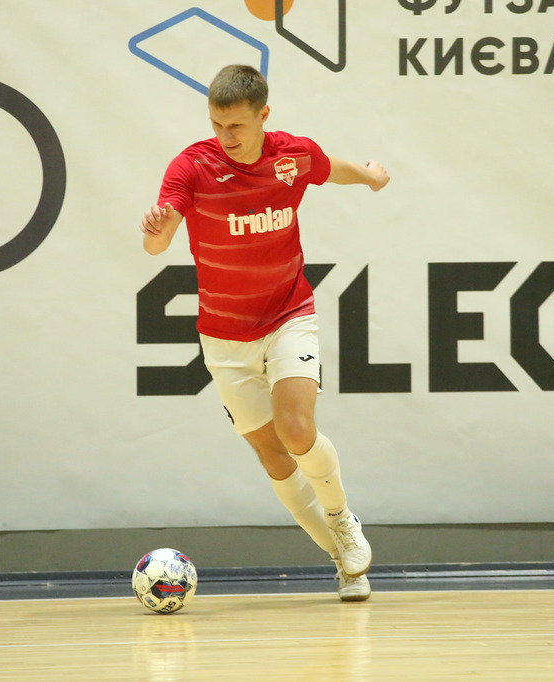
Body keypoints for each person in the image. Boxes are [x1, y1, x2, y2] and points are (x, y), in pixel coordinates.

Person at [139, 64, 389, 601]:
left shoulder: (291, 156)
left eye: (236, 125)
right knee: (274, 456)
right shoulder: (193, 166)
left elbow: (332, 169)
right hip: (225, 337)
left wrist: (370, 176)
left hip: (287, 314)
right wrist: (157, 234)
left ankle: (343, 518)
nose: (225, 136)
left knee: (297, 431)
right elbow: (158, 241)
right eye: (216, 124)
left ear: (263, 116)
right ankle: (345, 563)